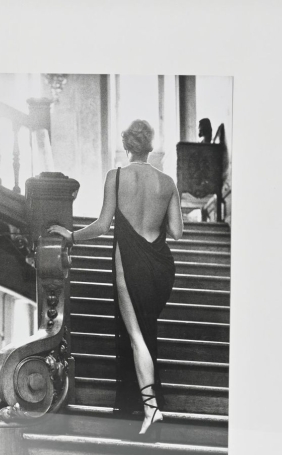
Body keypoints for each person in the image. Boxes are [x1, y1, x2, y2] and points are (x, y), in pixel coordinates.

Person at [48, 120, 183, 434]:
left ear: (126, 145)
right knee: (146, 333)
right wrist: (155, 218)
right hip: (160, 267)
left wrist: (70, 235)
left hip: (129, 266)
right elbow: (177, 232)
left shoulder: (116, 176)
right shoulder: (167, 182)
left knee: (136, 337)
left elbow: (102, 225)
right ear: (150, 147)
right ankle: (142, 403)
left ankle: (150, 408)